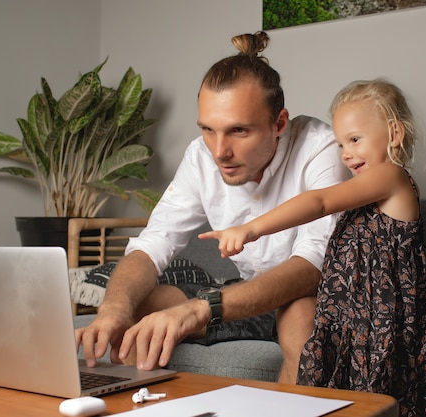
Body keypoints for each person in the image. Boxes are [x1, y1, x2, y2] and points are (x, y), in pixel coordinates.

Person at [75, 31, 348, 384]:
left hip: (309, 294)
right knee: (134, 311)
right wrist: (112, 310)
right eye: (208, 129)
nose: (219, 151)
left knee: (300, 320)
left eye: (238, 131)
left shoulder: (320, 148)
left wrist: (204, 308)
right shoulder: (201, 156)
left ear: (279, 123)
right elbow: (153, 242)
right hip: (245, 289)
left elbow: (313, 266)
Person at [200, 79, 426, 416]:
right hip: (353, 329)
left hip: (377, 334)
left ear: (394, 133)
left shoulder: (392, 178)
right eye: (339, 144)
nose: (346, 153)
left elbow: (320, 201)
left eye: (354, 139)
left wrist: (252, 228)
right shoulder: (363, 196)